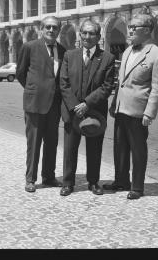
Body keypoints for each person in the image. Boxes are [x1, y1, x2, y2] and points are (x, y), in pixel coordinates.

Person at [104, 8, 158, 200]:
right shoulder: (128, 50)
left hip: (139, 111)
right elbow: (120, 81)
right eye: (129, 27)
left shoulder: (157, 55)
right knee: (119, 147)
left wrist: (150, 113)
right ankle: (121, 180)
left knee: (138, 150)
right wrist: (114, 102)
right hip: (121, 108)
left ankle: (137, 187)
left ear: (147, 29)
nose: (129, 31)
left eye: (134, 27)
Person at [59, 20, 115, 196]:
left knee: (94, 148)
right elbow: (64, 83)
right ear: (80, 34)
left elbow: (107, 86)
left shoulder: (107, 58)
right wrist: (76, 106)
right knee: (70, 149)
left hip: (95, 112)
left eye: (92, 34)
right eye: (84, 33)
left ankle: (93, 182)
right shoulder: (69, 55)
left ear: (99, 37)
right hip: (72, 111)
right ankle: (68, 183)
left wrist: (87, 104)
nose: (87, 37)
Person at [16, 16, 66, 192]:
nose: (51, 30)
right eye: (48, 27)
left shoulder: (62, 50)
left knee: (52, 142)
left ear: (59, 31)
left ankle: (49, 176)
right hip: (35, 103)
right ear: (41, 29)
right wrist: (34, 89)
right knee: (34, 142)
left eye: (55, 28)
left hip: (54, 104)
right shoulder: (30, 47)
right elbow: (20, 73)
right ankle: (30, 179)